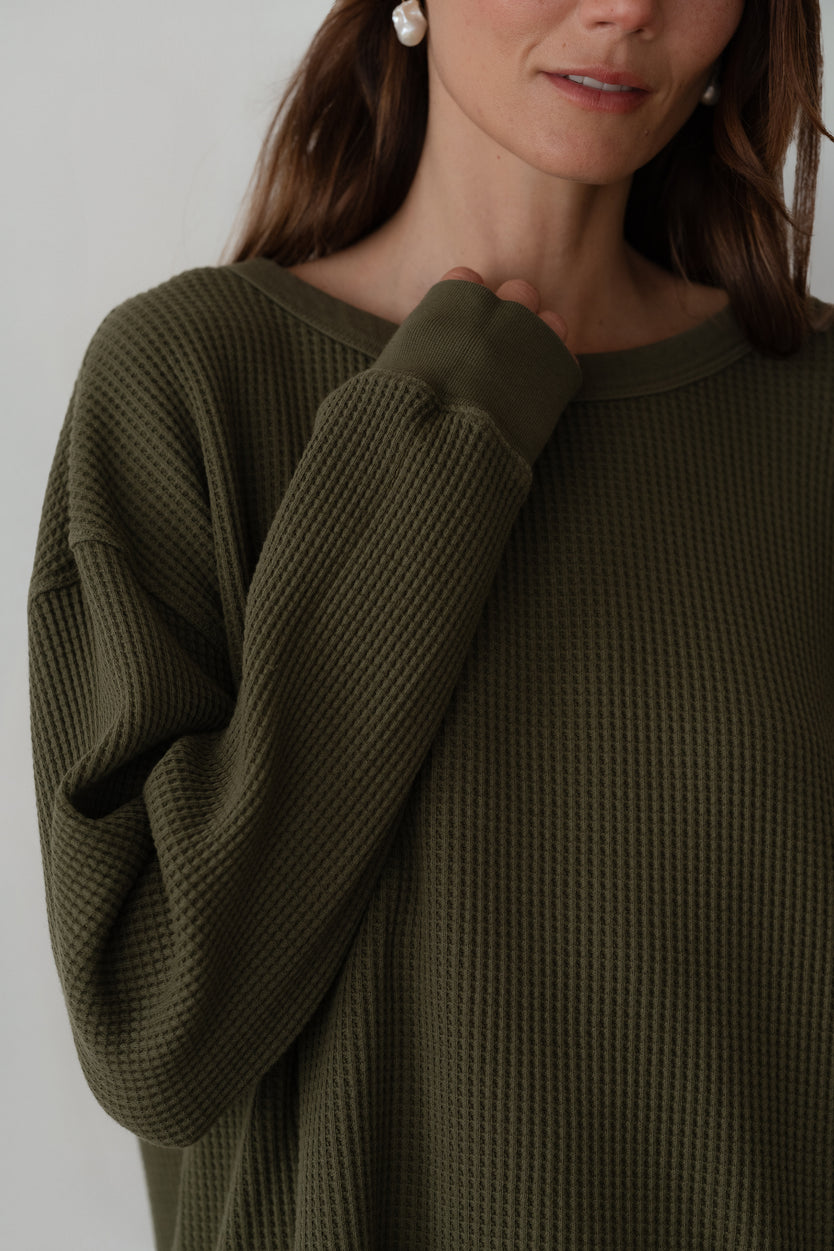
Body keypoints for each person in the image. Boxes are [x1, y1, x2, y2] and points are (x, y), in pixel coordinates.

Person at [28, 0, 834, 1247]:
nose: (627, 7)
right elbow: (157, 1035)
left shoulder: (808, 419)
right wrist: (449, 420)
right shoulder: (187, 385)